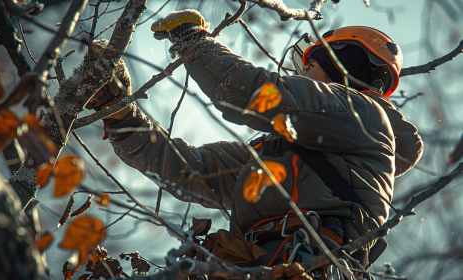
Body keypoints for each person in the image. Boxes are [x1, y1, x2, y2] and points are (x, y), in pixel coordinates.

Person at [86, 10, 423, 279]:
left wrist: (195, 41)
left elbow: (250, 91)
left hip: (309, 264)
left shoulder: (362, 115)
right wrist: (120, 114)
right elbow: (190, 170)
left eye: (311, 65)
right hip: (262, 263)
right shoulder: (282, 155)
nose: (302, 73)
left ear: (344, 66)